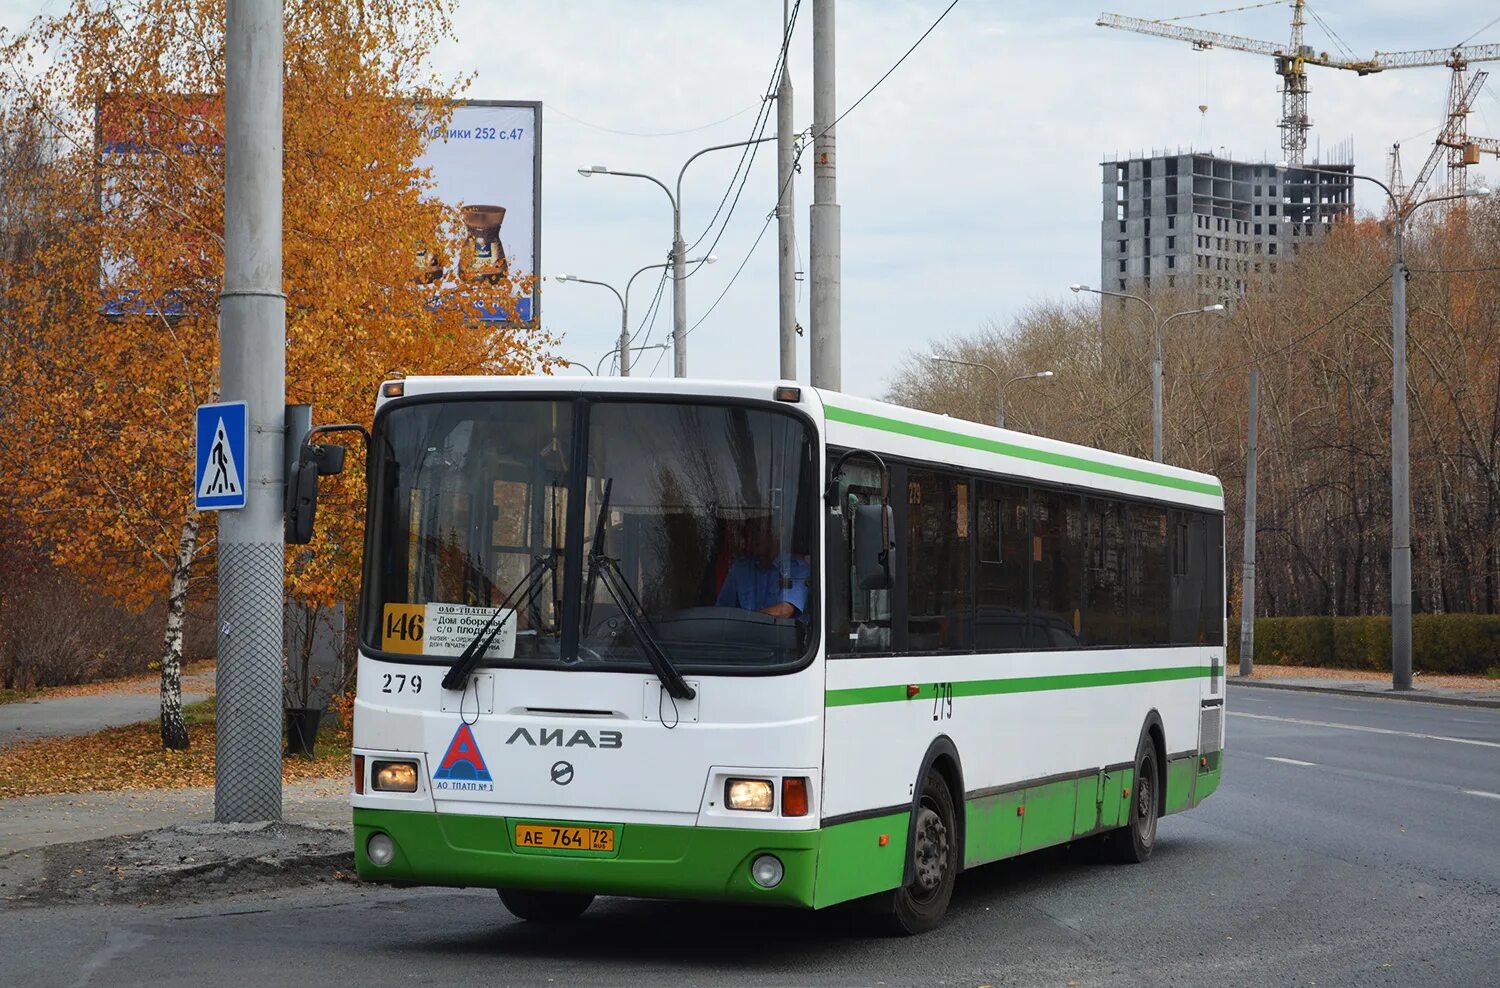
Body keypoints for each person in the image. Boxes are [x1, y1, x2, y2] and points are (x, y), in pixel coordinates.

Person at [715, 516, 809, 619]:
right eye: (748, 533)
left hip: (782, 634)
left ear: (776, 533)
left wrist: (745, 621)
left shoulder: (797, 569)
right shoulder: (740, 569)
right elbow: (722, 611)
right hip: (742, 634)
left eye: (757, 531)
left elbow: (785, 611)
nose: (751, 537)